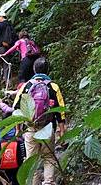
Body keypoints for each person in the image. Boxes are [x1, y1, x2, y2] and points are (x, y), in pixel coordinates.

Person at [14, 57, 66, 185]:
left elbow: (16, 109)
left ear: (34, 69)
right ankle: (48, 182)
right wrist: (62, 132)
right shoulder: (53, 86)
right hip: (48, 129)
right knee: (48, 157)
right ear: (48, 71)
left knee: (32, 160)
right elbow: (61, 112)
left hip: (31, 129)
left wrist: (18, 130)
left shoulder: (26, 86)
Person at [0, 101, 26, 185]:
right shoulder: (17, 130)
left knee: (8, 178)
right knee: (17, 180)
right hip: (18, 160)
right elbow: (22, 144)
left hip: (4, 162)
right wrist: (24, 157)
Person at [0, 12, 18, 80]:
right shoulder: (10, 25)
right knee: (6, 66)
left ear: (1, 17)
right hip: (8, 48)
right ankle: (8, 83)